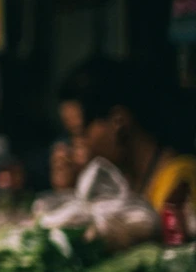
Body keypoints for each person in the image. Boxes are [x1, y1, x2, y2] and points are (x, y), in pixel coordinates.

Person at [52, 56, 196, 211]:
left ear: (117, 122)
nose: (75, 146)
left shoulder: (178, 183)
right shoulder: (130, 182)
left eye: (80, 134)